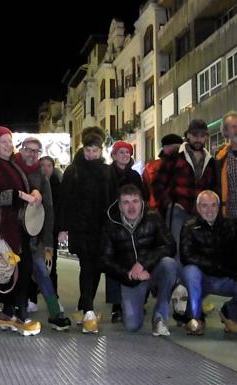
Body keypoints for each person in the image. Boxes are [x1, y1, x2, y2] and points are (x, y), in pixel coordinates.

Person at [0, 126, 43, 336]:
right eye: (3, 142)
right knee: (20, 270)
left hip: (20, 225)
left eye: (10, 141)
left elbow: (30, 184)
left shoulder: (13, 165)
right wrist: (21, 195)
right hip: (5, 228)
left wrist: (34, 191)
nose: (8, 145)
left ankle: (8, 313)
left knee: (18, 270)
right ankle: (21, 314)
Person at [58, 126, 115, 334]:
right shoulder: (74, 170)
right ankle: (89, 310)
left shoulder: (106, 171)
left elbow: (112, 201)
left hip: (101, 228)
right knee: (87, 266)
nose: (91, 154)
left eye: (95, 151)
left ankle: (84, 307)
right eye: (88, 150)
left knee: (98, 265)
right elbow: (64, 201)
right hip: (80, 227)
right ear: (83, 149)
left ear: (101, 151)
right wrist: (63, 228)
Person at [101, 184, 178, 336]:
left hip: (153, 270)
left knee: (169, 264)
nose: (131, 207)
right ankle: (133, 305)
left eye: (135, 201)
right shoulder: (111, 224)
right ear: (119, 205)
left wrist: (143, 264)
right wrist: (129, 274)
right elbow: (105, 260)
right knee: (132, 326)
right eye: (126, 202)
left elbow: (170, 245)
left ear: (142, 202)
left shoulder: (153, 217)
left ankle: (159, 317)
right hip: (130, 278)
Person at [15, 137, 71, 331]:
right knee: (10, 273)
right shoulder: (13, 168)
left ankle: (55, 313)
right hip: (13, 233)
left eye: (35, 151)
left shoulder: (42, 176)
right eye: (28, 150)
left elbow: (48, 209)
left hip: (35, 235)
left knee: (42, 271)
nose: (31, 154)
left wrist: (48, 242)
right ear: (21, 150)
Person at [180, 190, 237, 336]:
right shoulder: (189, 227)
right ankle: (195, 318)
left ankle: (229, 312)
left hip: (228, 279)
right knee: (190, 271)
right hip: (203, 280)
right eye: (204, 206)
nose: (209, 210)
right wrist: (218, 267)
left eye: (213, 205)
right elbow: (187, 257)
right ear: (198, 207)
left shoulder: (232, 225)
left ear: (219, 207)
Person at [152, 119, 216, 261]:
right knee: (177, 251)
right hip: (178, 212)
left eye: (202, 135)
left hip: (201, 214)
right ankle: (177, 282)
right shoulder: (175, 157)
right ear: (188, 136)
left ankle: (192, 281)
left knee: (197, 251)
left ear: (206, 137)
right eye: (194, 135)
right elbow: (157, 184)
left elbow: (212, 188)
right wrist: (169, 205)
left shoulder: (210, 161)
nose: (198, 139)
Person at [107, 140, 146, 323]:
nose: (124, 155)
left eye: (127, 153)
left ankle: (137, 301)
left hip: (133, 223)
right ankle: (116, 305)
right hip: (113, 222)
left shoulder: (134, 176)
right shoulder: (107, 175)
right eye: (120, 152)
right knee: (114, 262)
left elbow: (142, 197)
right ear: (114, 155)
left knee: (134, 259)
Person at [39, 156, 63, 296]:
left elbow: (60, 209)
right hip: (35, 228)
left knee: (51, 263)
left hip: (51, 230)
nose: (45, 168)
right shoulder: (34, 183)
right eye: (42, 165)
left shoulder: (57, 185)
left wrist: (60, 229)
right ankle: (32, 297)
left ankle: (53, 294)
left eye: (49, 165)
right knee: (35, 263)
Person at [143, 133, 183, 213]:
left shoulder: (151, 167)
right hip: (164, 209)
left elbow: (145, 192)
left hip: (158, 208)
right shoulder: (153, 167)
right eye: (175, 148)